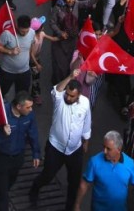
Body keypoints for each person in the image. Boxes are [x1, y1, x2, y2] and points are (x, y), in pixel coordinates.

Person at [28, 75, 91, 210]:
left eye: (71, 96)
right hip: (55, 147)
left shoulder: (85, 103)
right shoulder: (59, 99)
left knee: (74, 183)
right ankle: (34, 189)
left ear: (79, 95)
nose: (68, 98)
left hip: (75, 150)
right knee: (47, 176)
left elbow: (87, 122)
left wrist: (86, 140)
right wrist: (70, 77)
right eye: (67, 94)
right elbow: (57, 90)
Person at [0, 91, 41, 211]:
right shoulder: (1, 114)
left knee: (9, 182)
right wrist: (2, 133)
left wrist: (36, 153)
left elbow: (33, 133)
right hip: (1, 157)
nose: (31, 110)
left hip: (18, 156)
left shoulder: (29, 116)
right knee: (3, 194)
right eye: (28, 107)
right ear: (18, 106)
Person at [72, 130, 134, 211]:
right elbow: (84, 185)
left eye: (108, 149)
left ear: (119, 149)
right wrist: (76, 205)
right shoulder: (95, 161)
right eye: (103, 147)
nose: (104, 151)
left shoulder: (129, 164)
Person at [0, 14, 38, 98]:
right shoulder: (7, 34)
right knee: (2, 92)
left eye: (27, 31)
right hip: (7, 71)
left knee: (22, 95)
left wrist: (32, 58)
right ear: (17, 26)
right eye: (22, 31)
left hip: (24, 71)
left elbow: (32, 44)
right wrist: (10, 51)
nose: (25, 33)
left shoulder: (32, 32)